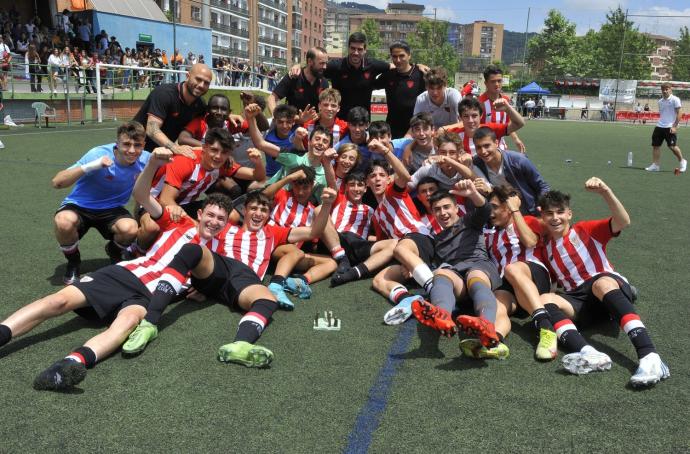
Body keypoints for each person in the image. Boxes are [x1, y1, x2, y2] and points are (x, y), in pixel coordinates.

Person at [0, 148, 232, 391]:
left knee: (127, 323)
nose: (214, 222)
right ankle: (4, 332)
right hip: (125, 275)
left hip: (149, 296)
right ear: (200, 213)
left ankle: (69, 365)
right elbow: (141, 195)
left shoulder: (220, 253)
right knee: (58, 302)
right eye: (211, 215)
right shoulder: (179, 222)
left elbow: (220, 280)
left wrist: (206, 289)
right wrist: (152, 163)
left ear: (226, 224)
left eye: (221, 219)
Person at [121, 187, 339, 364]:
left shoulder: (273, 233)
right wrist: (196, 275)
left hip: (244, 281)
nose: (258, 213)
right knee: (193, 252)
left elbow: (314, 232)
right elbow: (198, 235)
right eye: (253, 208)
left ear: (268, 215)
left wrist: (327, 204)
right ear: (244, 211)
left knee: (267, 300)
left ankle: (240, 345)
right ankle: (151, 320)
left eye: (263, 210)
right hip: (219, 270)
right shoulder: (224, 228)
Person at [538, 178, 670, 387]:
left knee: (600, 284)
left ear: (569, 214)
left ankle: (650, 356)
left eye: (560, 212)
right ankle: (589, 354)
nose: (555, 218)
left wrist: (606, 191)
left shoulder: (584, 230)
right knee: (544, 300)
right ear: (542, 216)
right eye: (549, 213)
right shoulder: (546, 249)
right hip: (581, 301)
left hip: (604, 283)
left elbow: (623, 221)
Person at [410, 181, 511, 360]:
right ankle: (442, 316)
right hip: (456, 276)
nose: (443, 213)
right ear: (433, 213)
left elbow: (484, 209)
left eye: (447, 207)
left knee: (475, 277)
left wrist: (472, 192)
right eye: (438, 209)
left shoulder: (469, 221)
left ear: (456, 208)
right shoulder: (435, 239)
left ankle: (486, 323)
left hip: (478, 266)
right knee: (440, 273)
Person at [51, 121, 151, 284]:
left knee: (130, 229)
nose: (132, 150)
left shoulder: (146, 159)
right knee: (63, 222)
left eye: (137, 145)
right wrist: (91, 166)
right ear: (117, 143)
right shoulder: (97, 154)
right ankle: (74, 262)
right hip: (80, 205)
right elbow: (57, 182)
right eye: (126, 144)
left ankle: (114, 251)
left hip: (112, 209)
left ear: (144, 145)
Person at [484, 185, 557, 360]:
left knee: (512, 268)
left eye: (494, 207)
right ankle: (494, 341)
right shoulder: (489, 235)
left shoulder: (528, 221)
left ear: (508, 207)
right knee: (497, 304)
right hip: (510, 284)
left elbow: (531, 242)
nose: (490, 212)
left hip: (534, 273)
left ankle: (546, 327)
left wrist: (516, 211)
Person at [133, 63, 235, 156]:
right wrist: (175, 148)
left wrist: (229, 115)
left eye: (206, 83)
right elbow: (151, 129)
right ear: (187, 76)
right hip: (135, 149)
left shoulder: (199, 104)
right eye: (198, 79)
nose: (201, 85)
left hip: (162, 153)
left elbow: (213, 114)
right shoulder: (164, 94)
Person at [308, 32, 390, 119]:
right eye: (353, 48)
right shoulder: (336, 66)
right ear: (348, 48)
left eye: (360, 49)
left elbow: (393, 67)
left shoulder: (373, 65)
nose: (356, 52)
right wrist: (297, 67)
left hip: (362, 122)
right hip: (339, 120)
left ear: (365, 50)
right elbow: (313, 68)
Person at [472, 126, 549, 215]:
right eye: (478, 147)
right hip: (501, 216)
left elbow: (542, 186)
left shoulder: (518, 160)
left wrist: (542, 206)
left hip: (528, 213)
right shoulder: (477, 162)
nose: (483, 151)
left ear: (496, 143)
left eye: (487, 146)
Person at [372, 40, 426, 139]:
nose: (398, 60)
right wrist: (385, 66)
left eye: (402, 56)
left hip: (416, 127)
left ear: (409, 55)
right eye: (394, 56)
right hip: (392, 128)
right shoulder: (389, 75)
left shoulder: (421, 74)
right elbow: (369, 84)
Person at [479, 65, 526, 152]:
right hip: (483, 149)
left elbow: (508, 123)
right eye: (493, 81)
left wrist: (516, 139)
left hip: (500, 147)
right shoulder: (480, 103)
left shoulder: (506, 100)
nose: (497, 84)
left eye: (499, 81)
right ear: (486, 83)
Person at [269, 46, 328, 113]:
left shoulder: (324, 82)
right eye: (321, 63)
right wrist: (277, 118)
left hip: (314, 122)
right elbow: (272, 98)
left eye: (326, 63)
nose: (325, 67)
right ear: (310, 61)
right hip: (292, 121)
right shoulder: (293, 77)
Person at [645, 82, 687, 173]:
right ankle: (655, 165)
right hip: (659, 126)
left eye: (666, 89)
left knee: (672, 146)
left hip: (670, 126)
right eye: (663, 89)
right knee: (655, 146)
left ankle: (682, 161)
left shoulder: (675, 99)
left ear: (670, 89)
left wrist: (675, 126)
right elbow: (663, 114)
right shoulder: (660, 101)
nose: (664, 91)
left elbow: (680, 113)